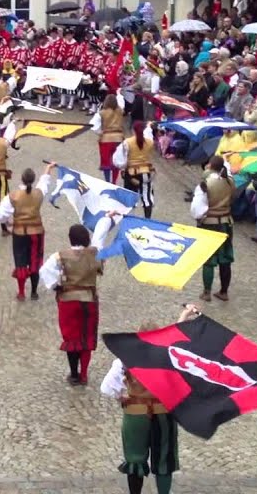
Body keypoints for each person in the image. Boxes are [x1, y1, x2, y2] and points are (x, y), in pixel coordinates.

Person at [100, 304, 198, 494]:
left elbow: (107, 386)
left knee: (135, 460)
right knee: (164, 461)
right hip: (164, 414)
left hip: (135, 416)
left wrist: (122, 396)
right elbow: (177, 335)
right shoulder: (168, 354)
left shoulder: (125, 358)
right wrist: (185, 314)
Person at [38, 223, 105, 385]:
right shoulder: (96, 254)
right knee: (87, 337)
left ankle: (74, 374)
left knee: (72, 337)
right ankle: (84, 374)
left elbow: (44, 271)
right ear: (87, 238)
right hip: (89, 301)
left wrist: (56, 286)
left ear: (70, 238)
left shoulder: (59, 256)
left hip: (68, 302)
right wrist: (107, 219)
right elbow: (101, 236)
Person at [0, 164, 55, 301]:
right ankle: (34, 292)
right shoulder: (38, 193)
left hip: (20, 233)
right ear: (33, 180)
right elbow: (44, 182)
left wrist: (9, 222)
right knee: (35, 262)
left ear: (21, 179)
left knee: (20, 262)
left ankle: (21, 292)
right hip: (37, 233)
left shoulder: (13, 196)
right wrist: (48, 168)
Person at [190, 156, 236, 302]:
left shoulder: (204, 185)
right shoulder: (230, 181)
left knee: (208, 258)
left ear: (209, 166)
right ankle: (224, 292)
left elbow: (197, 209)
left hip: (209, 223)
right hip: (226, 223)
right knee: (225, 258)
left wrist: (199, 218)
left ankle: (207, 292)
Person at [114, 121, 156, 219]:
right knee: (147, 196)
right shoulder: (149, 142)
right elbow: (149, 134)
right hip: (146, 171)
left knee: (130, 195)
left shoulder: (127, 142)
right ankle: (147, 219)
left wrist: (123, 167)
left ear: (133, 130)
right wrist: (149, 126)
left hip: (131, 173)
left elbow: (119, 159)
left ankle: (129, 218)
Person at [92, 94, 124, 183]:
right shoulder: (120, 110)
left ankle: (107, 181)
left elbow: (94, 126)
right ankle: (114, 182)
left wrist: (100, 133)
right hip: (119, 139)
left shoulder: (101, 113)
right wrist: (119, 94)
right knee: (116, 161)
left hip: (106, 139)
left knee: (106, 162)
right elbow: (121, 102)